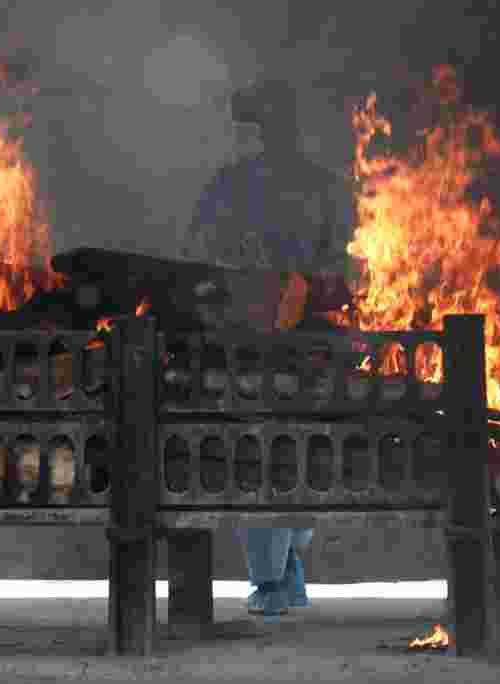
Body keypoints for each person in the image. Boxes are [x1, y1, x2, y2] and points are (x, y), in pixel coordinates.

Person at [182, 79, 354, 621]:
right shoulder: (322, 187)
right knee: (290, 451)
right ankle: (285, 573)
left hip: (251, 346)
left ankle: (275, 581)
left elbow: (198, 258)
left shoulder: (230, 186)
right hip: (309, 347)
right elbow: (344, 266)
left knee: (258, 456)